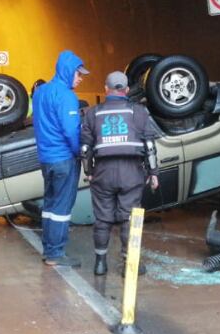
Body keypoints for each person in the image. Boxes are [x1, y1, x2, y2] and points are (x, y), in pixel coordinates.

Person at [81, 71, 163, 276]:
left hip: (103, 172)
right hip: (131, 172)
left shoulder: (92, 113)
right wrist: (154, 173)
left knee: (102, 218)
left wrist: (88, 171)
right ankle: (130, 265)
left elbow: (85, 148)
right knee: (129, 218)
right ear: (126, 90)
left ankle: (100, 263)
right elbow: (150, 145)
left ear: (105, 89)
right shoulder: (139, 112)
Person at [32, 50, 89, 267]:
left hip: (46, 159)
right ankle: (56, 254)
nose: (80, 78)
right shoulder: (66, 96)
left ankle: (49, 249)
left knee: (50, 203)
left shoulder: (40, 92)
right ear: (67, 71)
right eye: (78, 73)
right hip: (64, 159)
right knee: (62, 207)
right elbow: (71, 131)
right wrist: (80, 152)